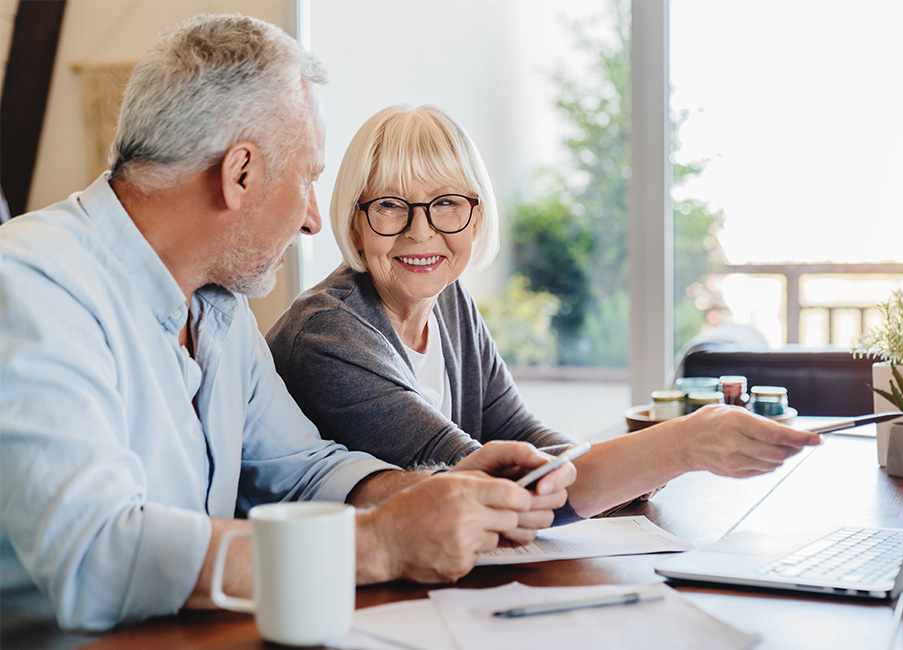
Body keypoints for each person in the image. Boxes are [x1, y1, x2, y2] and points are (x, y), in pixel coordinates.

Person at [0, 17, 574, 633]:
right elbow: (96, 557)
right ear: (239, 173)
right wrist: (378, 544)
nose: (311, 220)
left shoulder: (218, 308)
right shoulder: (31, 284)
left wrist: (438, 489)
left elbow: (303, 469)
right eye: (307, 179)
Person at [266, 104, 822, 522]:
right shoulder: (329, 334)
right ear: (355, 221)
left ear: (476, 217)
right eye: (389, 205)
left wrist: (626, 471)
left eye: (446, 205)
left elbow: (521, 433)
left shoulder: (450, 302)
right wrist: (678, 446)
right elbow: (492, 487)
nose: (420, 231)